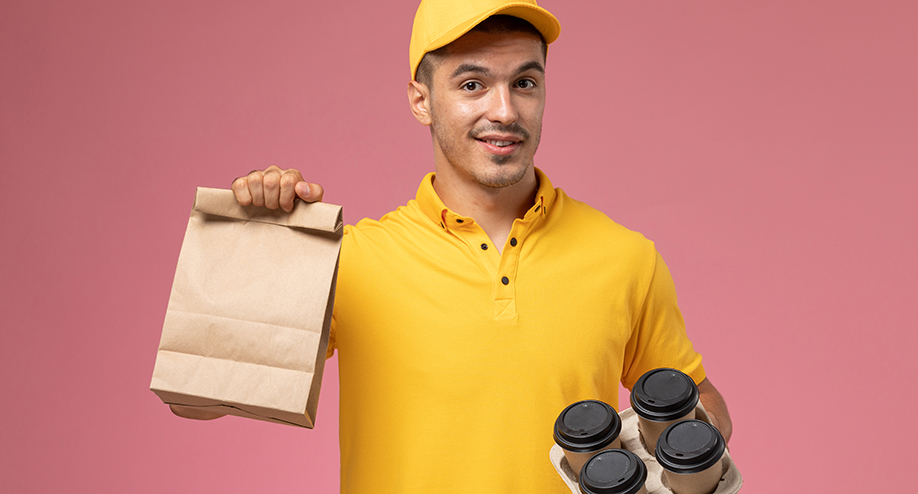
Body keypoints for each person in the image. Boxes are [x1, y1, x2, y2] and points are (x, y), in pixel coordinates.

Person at [174, 0, 732, 492]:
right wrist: (254, 241)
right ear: (421, 100)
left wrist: (665, 457)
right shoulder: (353, 258)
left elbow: (701, 405)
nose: (505, 111)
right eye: (472, 85)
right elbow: (192, 399)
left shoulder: (624, 256)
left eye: (525, 82)